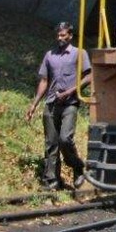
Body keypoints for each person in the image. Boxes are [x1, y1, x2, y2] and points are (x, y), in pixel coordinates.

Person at [26, 22, 91, 190]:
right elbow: (44, 80)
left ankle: (78, 167)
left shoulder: (79, 53)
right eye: (58, 35)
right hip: (51, 104)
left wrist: (69, 92)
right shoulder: (50, 55)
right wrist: (34, 104)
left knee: (65, 139)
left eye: (63, 35)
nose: (59, 38)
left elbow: (88, 77)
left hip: (70, 104)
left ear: (70, 35)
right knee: (51, 143)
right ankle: (52, 180)